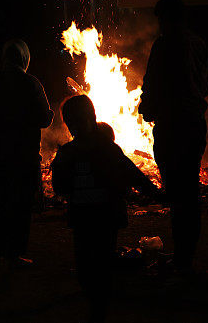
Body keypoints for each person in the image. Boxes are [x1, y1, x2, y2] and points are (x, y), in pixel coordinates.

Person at [51, 95, 158, 322]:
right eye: (73, 123)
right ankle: (97, 299)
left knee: (92, 258)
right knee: (96, 257)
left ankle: (96, 300)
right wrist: (152, 191)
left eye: (76, 122)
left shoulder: (74, 153)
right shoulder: (105, 149)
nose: (75, 127)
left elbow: (60, 186)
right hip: (100, 215)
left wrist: (151, 191)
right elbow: (133, 175)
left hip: (91, 216)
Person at [138, 0, 208, 273]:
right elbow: (203, 87)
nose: (159, 25)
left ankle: (182, 260)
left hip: (173, 126)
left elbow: (153, 83)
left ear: (167, 19)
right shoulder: (200, 45)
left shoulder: (166, 43)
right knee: (189, 192)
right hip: (194, 124)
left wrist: (147, 108)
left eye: (161, 19)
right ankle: (185, 254)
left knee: (178, 193)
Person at [0, 39, 53, 268]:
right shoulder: (29, 83)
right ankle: (14, 253)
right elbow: (42, 118)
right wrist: (50, 114)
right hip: (21, 157)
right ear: (24, 59)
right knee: (20, 206)